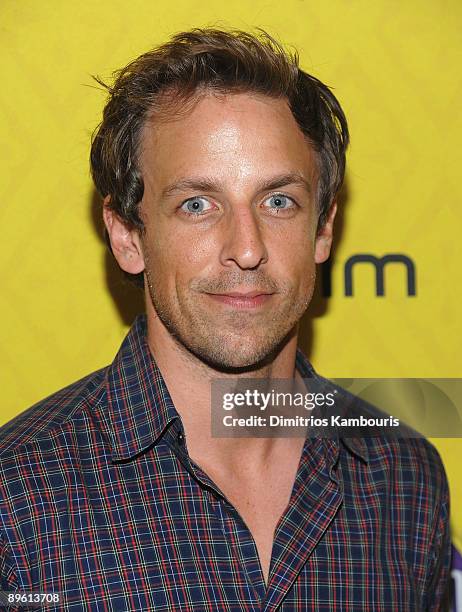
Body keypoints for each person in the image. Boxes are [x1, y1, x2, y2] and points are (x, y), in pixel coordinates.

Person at [0, 28, 450, 611]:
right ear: (128, 237)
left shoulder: (405, 480)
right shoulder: (18, 498)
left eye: (278, 201)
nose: (246, 247)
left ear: (323, 228)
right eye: (198, 204)